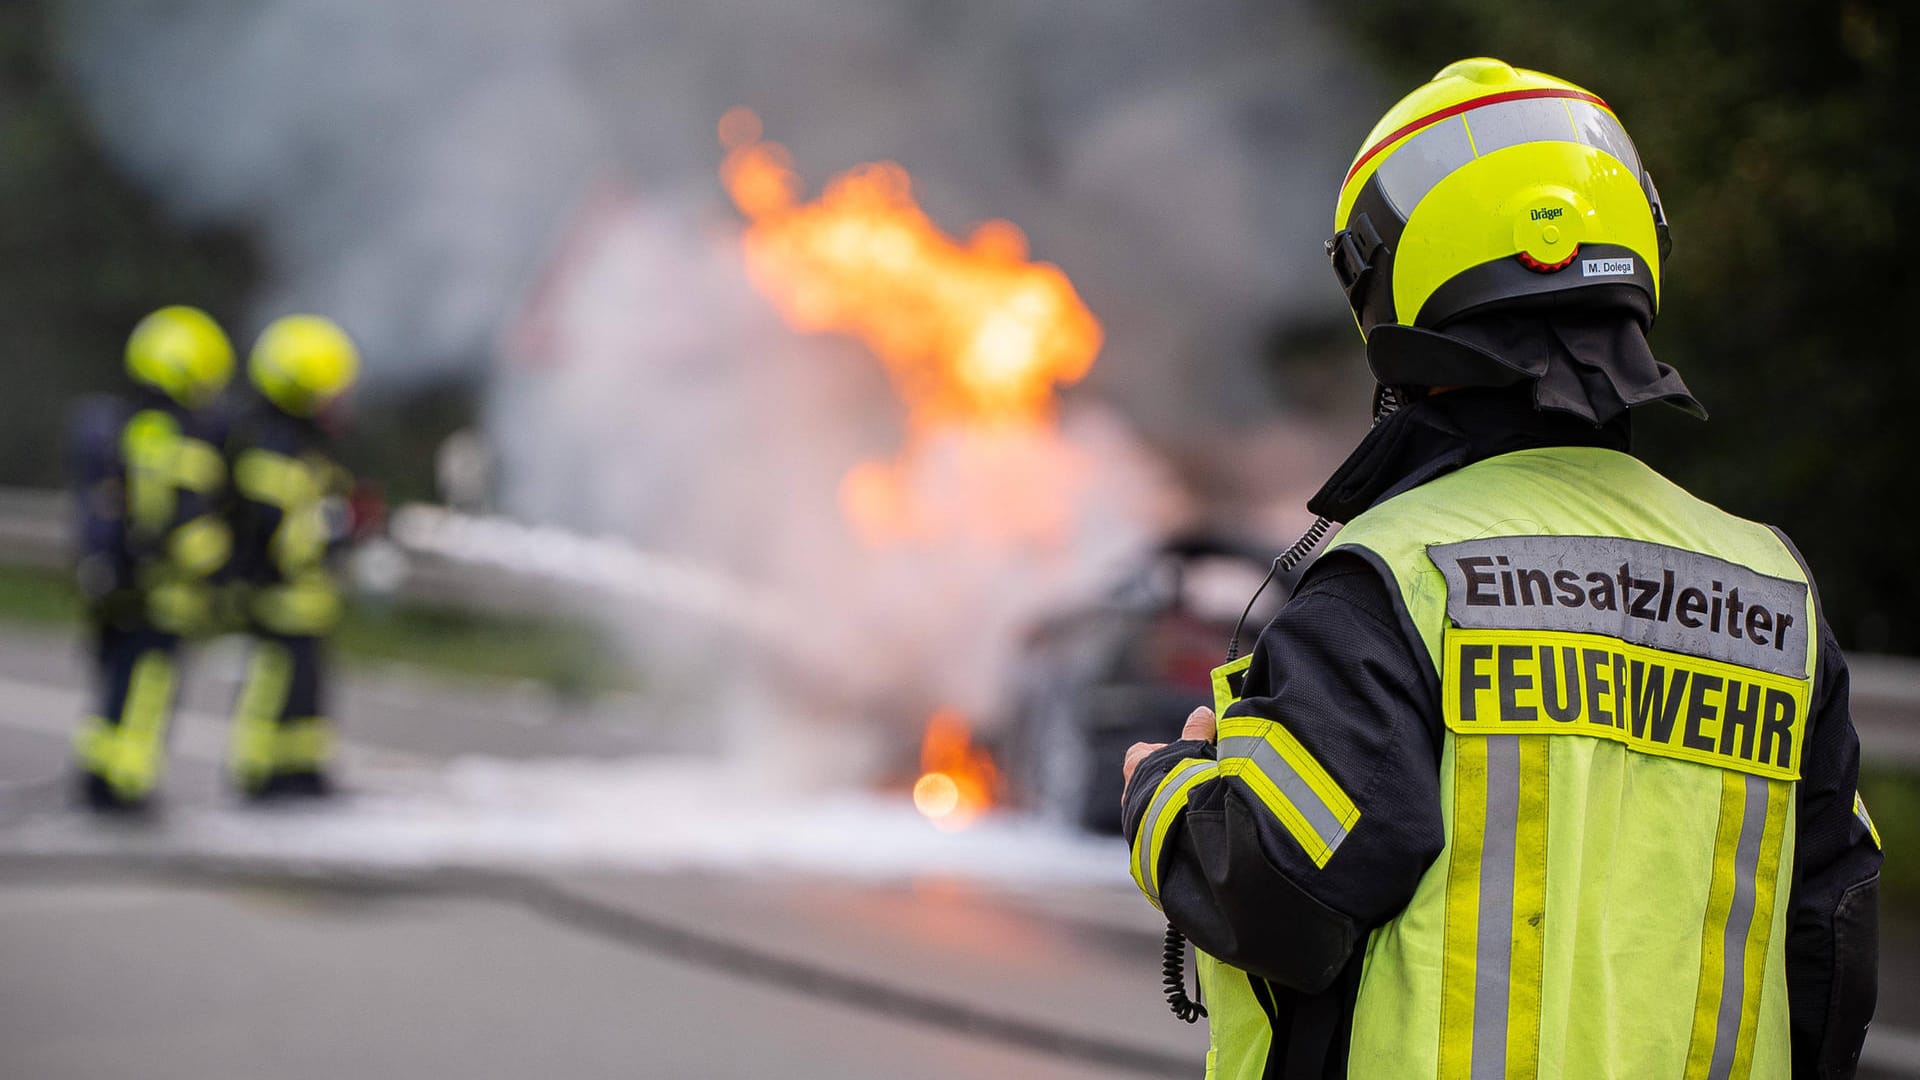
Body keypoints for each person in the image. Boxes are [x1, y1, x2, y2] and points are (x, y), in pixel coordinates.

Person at [1120, 58, 1881, 1079]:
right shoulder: (1772, 591)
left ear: (1391, 287)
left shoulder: (1391, 580)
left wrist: (1164, 796)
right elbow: (1833, 948)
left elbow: (1280, 892)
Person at [70, 306, 235, 812]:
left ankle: (102, 775)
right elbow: (170, 525)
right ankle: (124, 785)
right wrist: (222, 557)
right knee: (144, 689)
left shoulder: (131, 426)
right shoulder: (172, 439)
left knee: (118, 687)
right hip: (157, 595)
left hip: (125, 589)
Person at [222, 314, 359, 799]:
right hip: (276, 600)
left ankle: (301, 774)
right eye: (330, 390)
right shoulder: (271, 449)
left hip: (305, 603)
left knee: (305, 698)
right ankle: (259, 776)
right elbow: (274, 533)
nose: (338, 402)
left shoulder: (302, 448)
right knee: (270, 691)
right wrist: (331, 529)